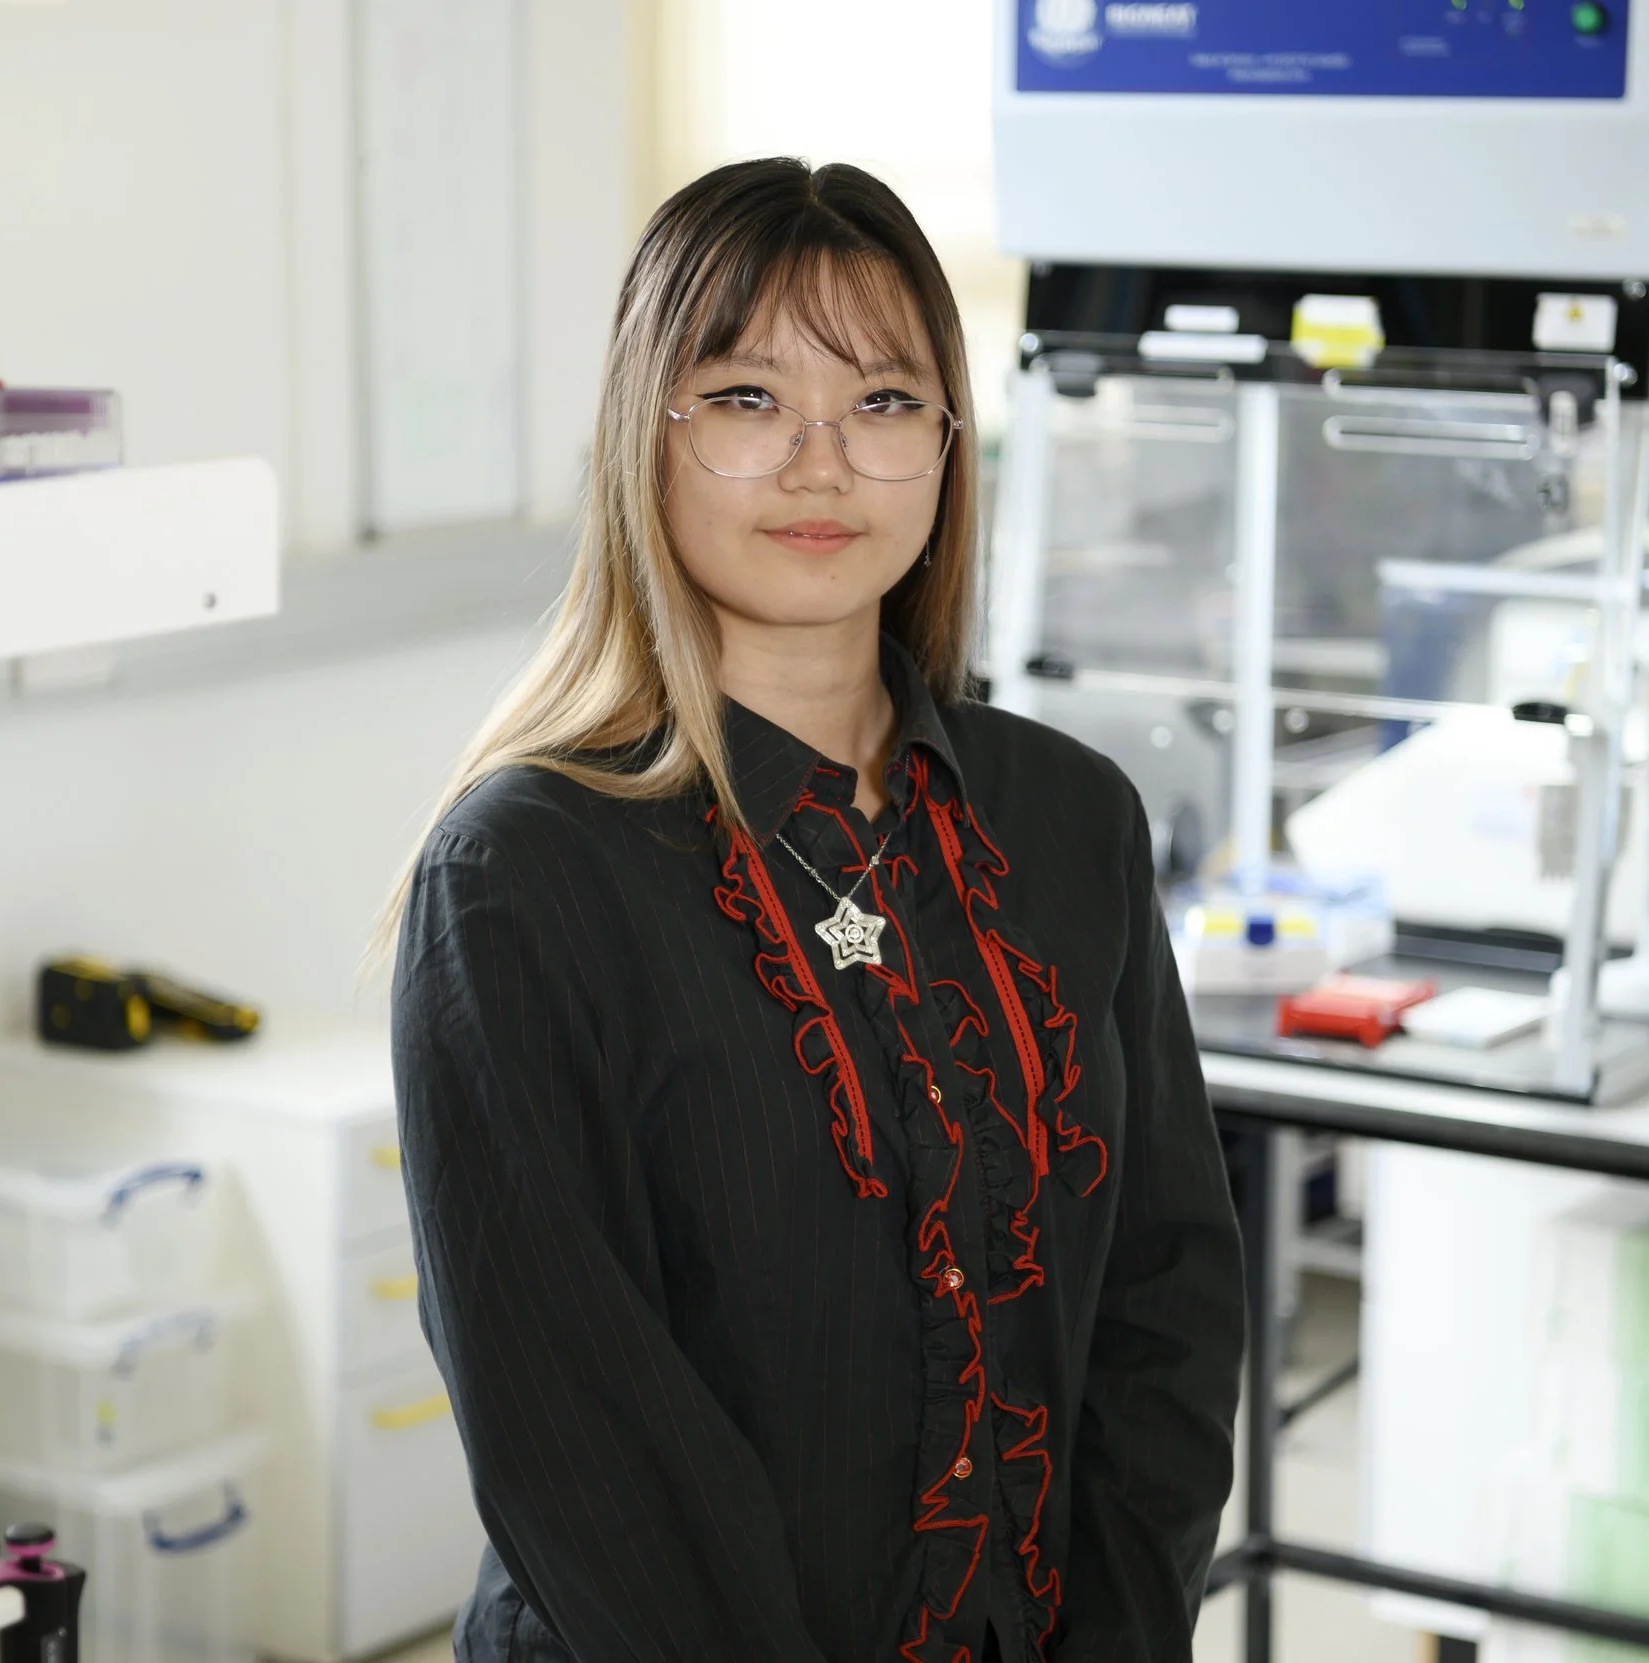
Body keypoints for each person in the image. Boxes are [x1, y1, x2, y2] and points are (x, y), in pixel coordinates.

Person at [384, 157, 1245, 1663]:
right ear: (643, 436)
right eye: (745, 400)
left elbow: (1169, 1304)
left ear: (950, 444)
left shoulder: (1069, 820)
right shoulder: (523, 876)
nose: (821, 464)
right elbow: (582, 1444)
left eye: (884, 401)